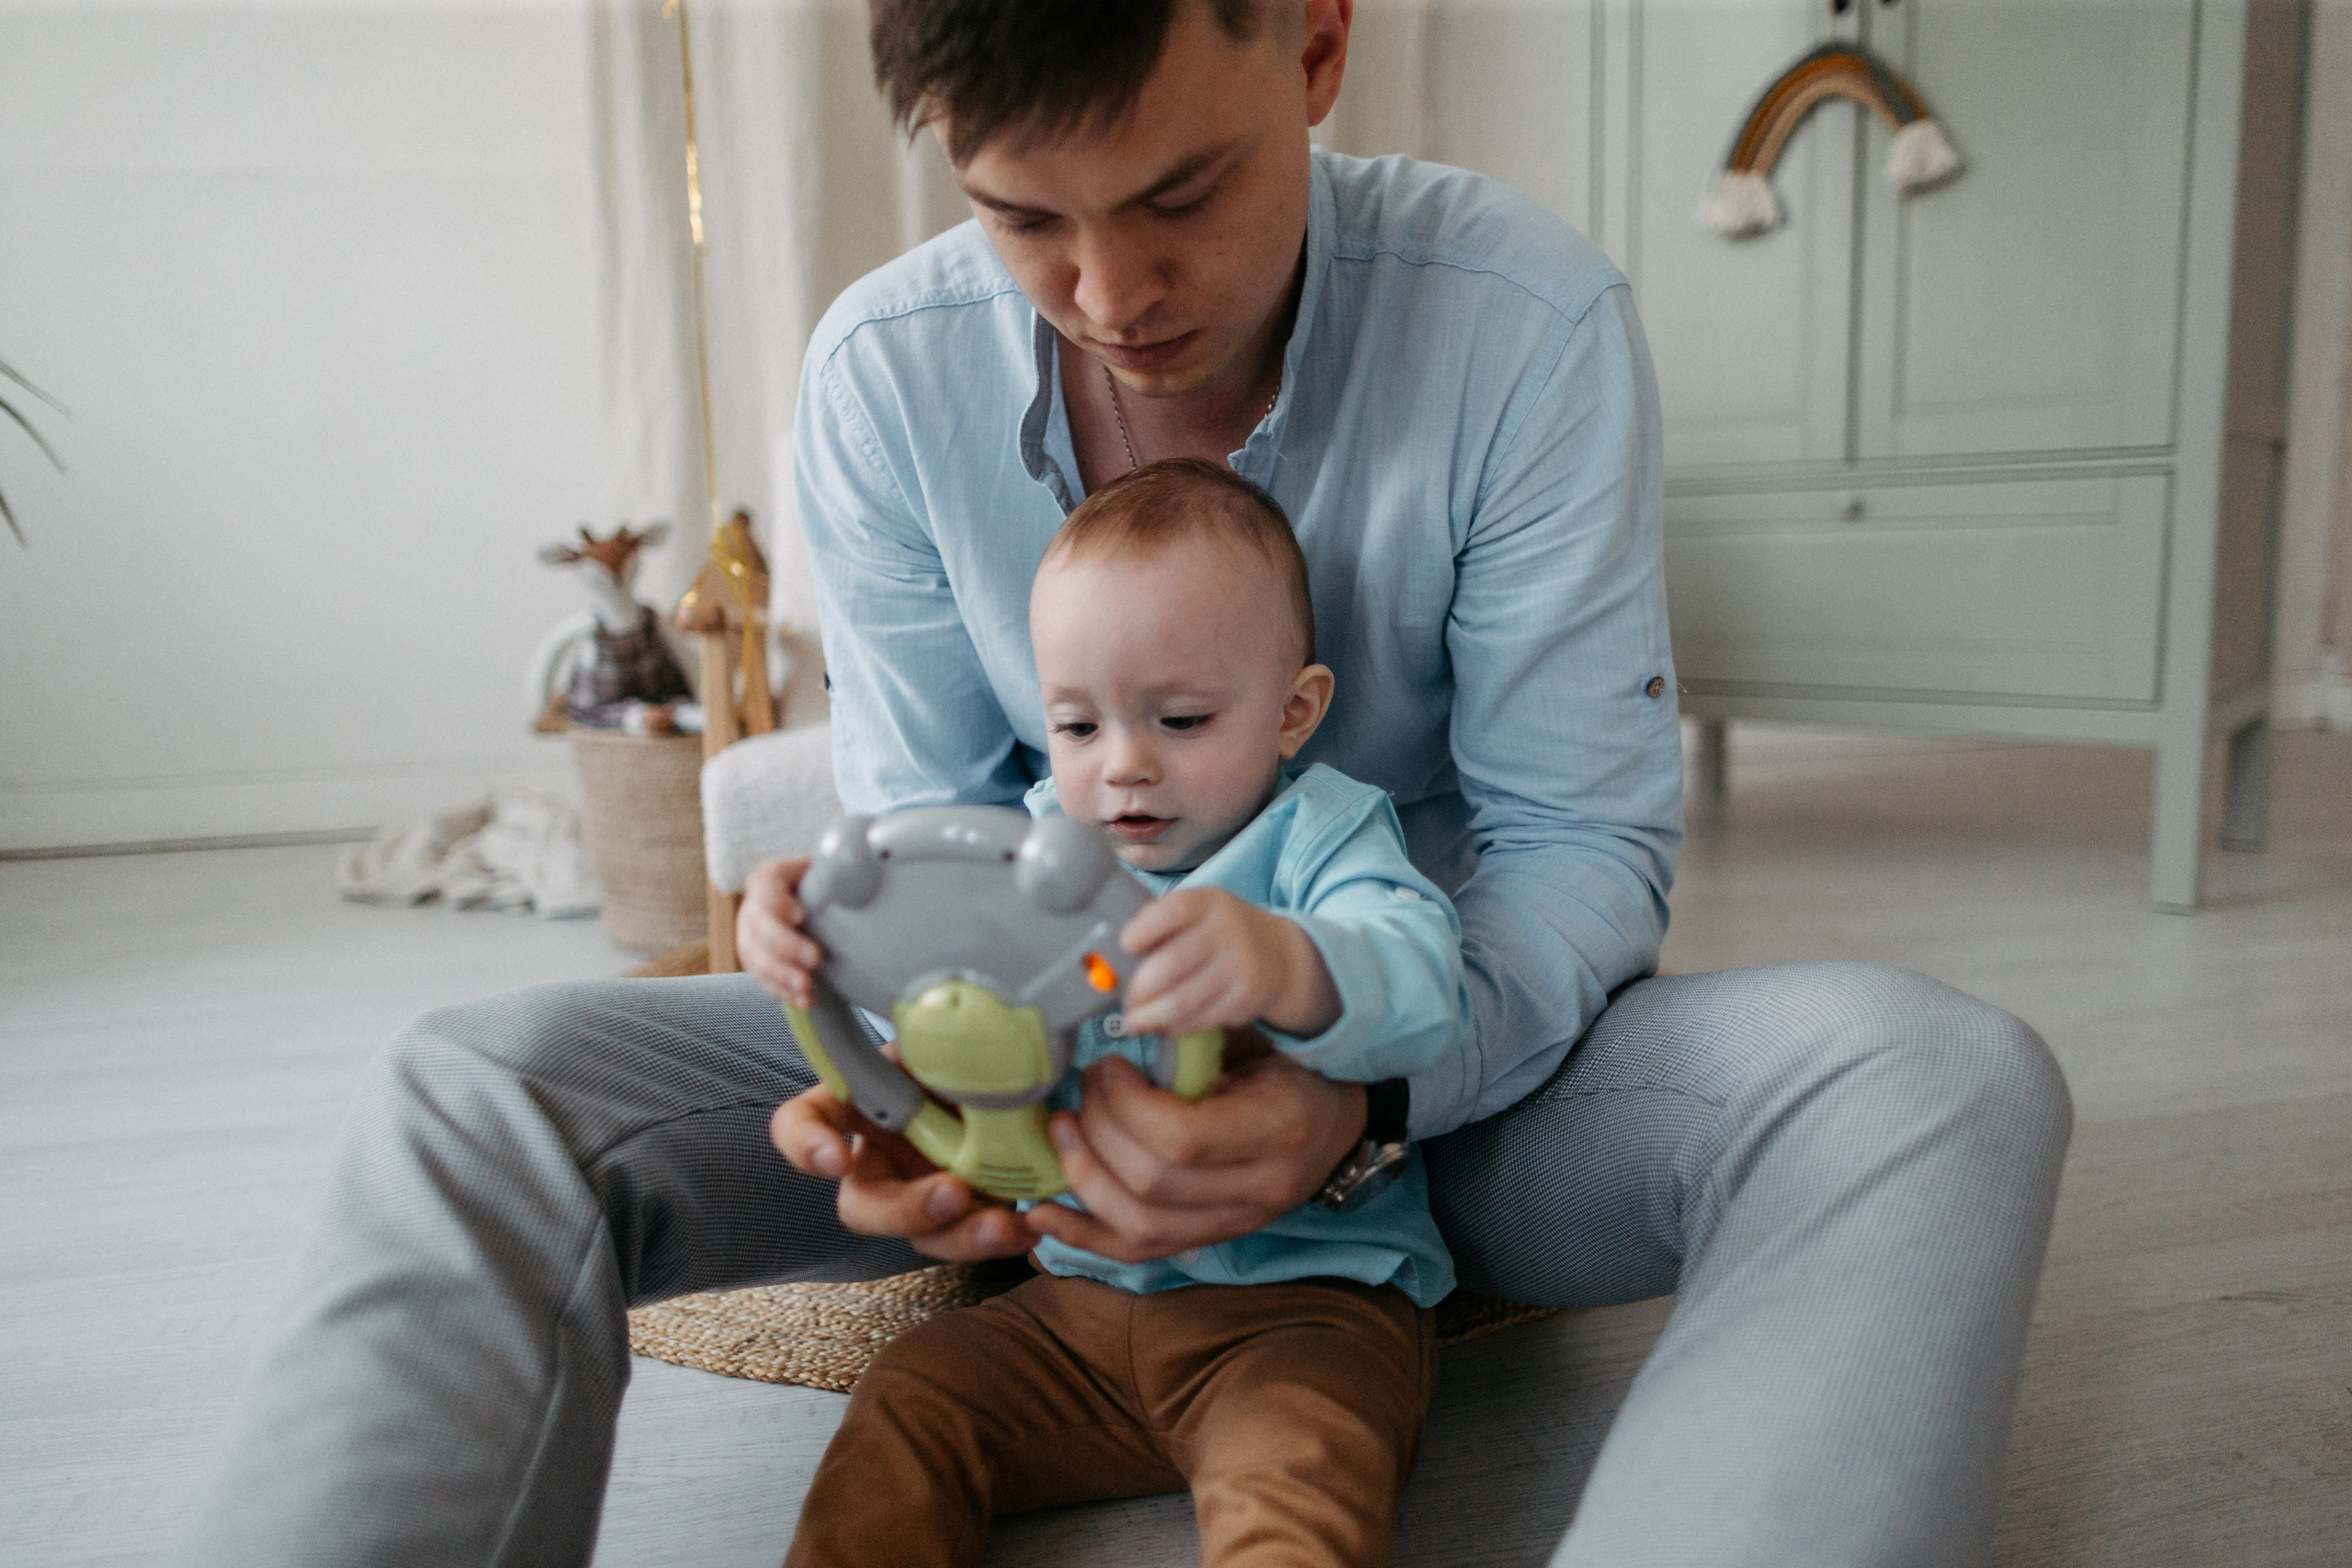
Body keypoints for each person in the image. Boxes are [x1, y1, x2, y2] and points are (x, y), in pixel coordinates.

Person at [175, 4, 2073, 1566]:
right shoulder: (885, 378)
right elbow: (917, 850)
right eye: (1021, 218)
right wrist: (910, 1073)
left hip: (1460, 1078)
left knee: (1932, 1077)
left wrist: (1356, 1098)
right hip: (1056, 1073)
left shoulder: (1526, 327)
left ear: (1317, 45)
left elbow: (1575, 848)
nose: (1108, 293)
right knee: (465, 1086)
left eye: (1181, 194)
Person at [782, 457, 1466, 1568]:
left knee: (1292, 1485)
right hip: (1076, 1309)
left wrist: (1286, 961)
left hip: (1304, 1309)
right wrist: (879, 1059)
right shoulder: (1037, 852)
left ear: (1293, 712)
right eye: (1076, 727)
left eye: (1181, 719)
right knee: (910, 1394)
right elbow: (962, 1012)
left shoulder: (1320, 837)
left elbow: (1428, 987)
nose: (1124, 768)